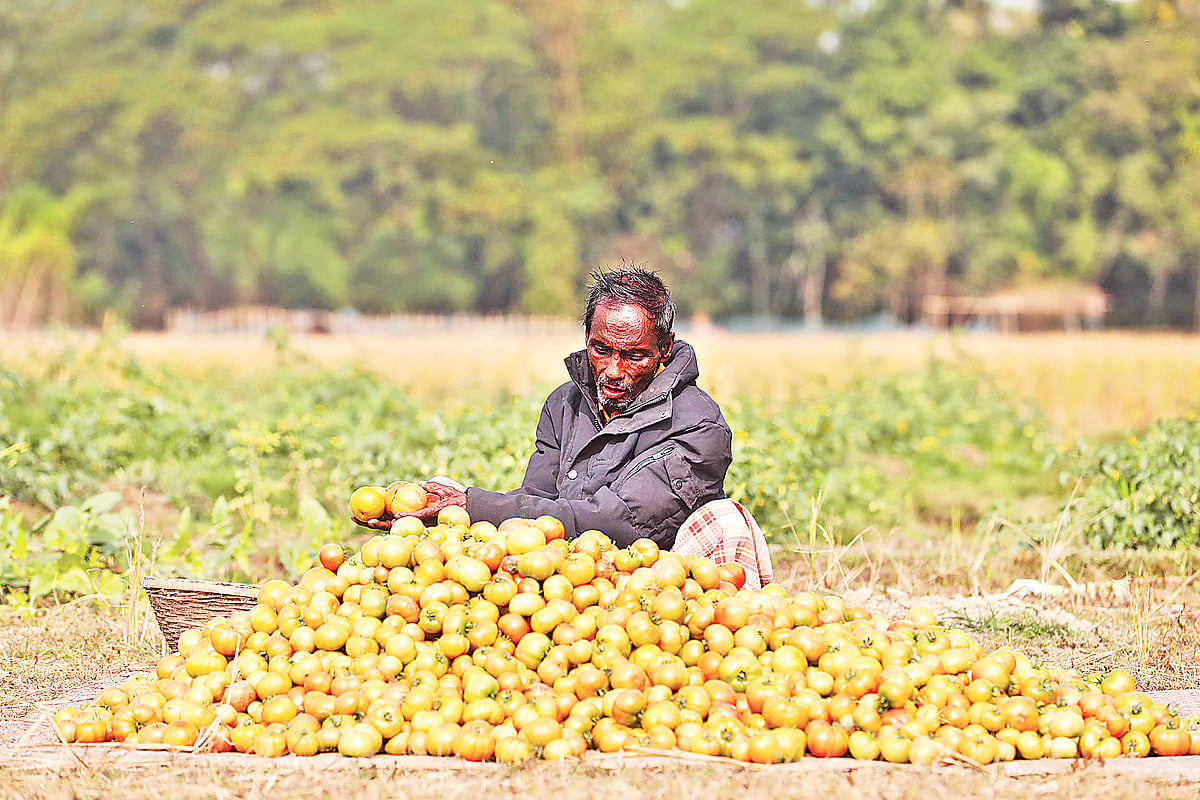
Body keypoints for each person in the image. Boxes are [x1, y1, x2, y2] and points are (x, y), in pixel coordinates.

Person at [424, 267, 772, 586]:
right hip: (574, 576)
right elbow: (536, 500)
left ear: (665, 348)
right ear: (587, 337)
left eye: (635, 356)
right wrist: (461, 506)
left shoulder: (698, 424)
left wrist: (478, 505)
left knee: (725, 519)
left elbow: (621, 522)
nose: (614, 371)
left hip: (659, 583)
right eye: (601, 350)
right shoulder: (564, 404)